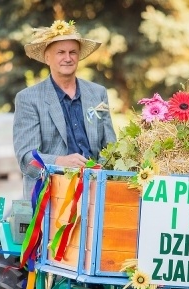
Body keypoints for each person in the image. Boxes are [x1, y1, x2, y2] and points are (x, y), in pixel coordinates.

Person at [13, 19, 117, 199]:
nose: (68, 58)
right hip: (50, 196)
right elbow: (27, 159)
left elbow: (110, 147)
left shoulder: (97, 93)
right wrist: (61, 162)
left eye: (73, 52)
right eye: (60, 52)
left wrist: (98, 171)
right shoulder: (28, 99)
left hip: (95, 191)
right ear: (47, 58)